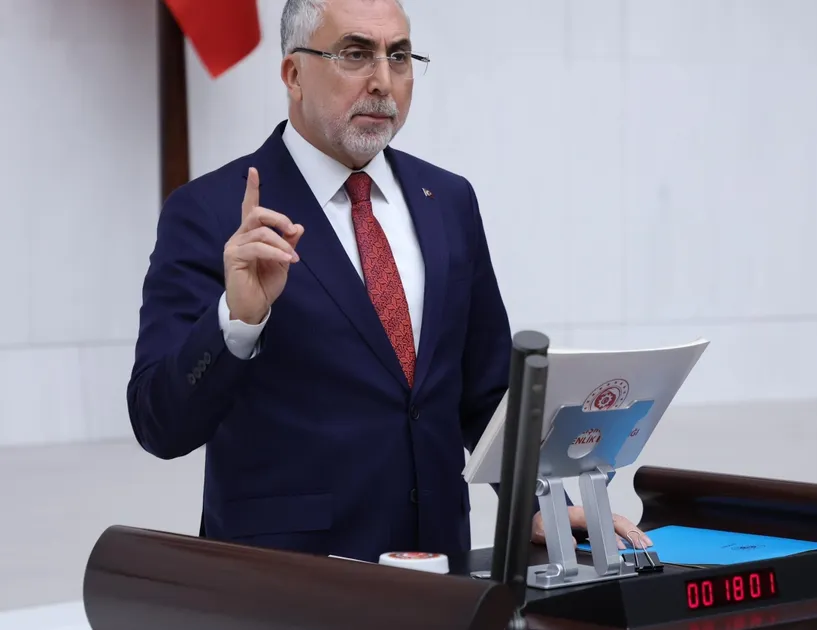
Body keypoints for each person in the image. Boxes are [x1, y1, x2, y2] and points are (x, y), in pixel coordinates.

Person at [128, 0, 648, 561]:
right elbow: (159, 424)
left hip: (438, 567)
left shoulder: (448, 200)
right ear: (294, 74)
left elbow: (486, 392)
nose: (383, 81)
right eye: (356, 54)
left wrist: (538, 504)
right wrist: (237, 322)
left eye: (398, 56)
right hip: (288, 577)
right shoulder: (212, 213)